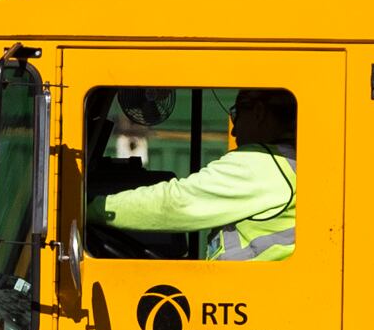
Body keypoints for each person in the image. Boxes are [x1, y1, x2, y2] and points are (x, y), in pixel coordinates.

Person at [91, 89, 297, 261]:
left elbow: (175, 204)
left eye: (236, 115)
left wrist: (91, 208)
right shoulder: (293, 162)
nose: (233, 132)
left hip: (255, 299)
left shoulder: (261, 164)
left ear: (259, 112)